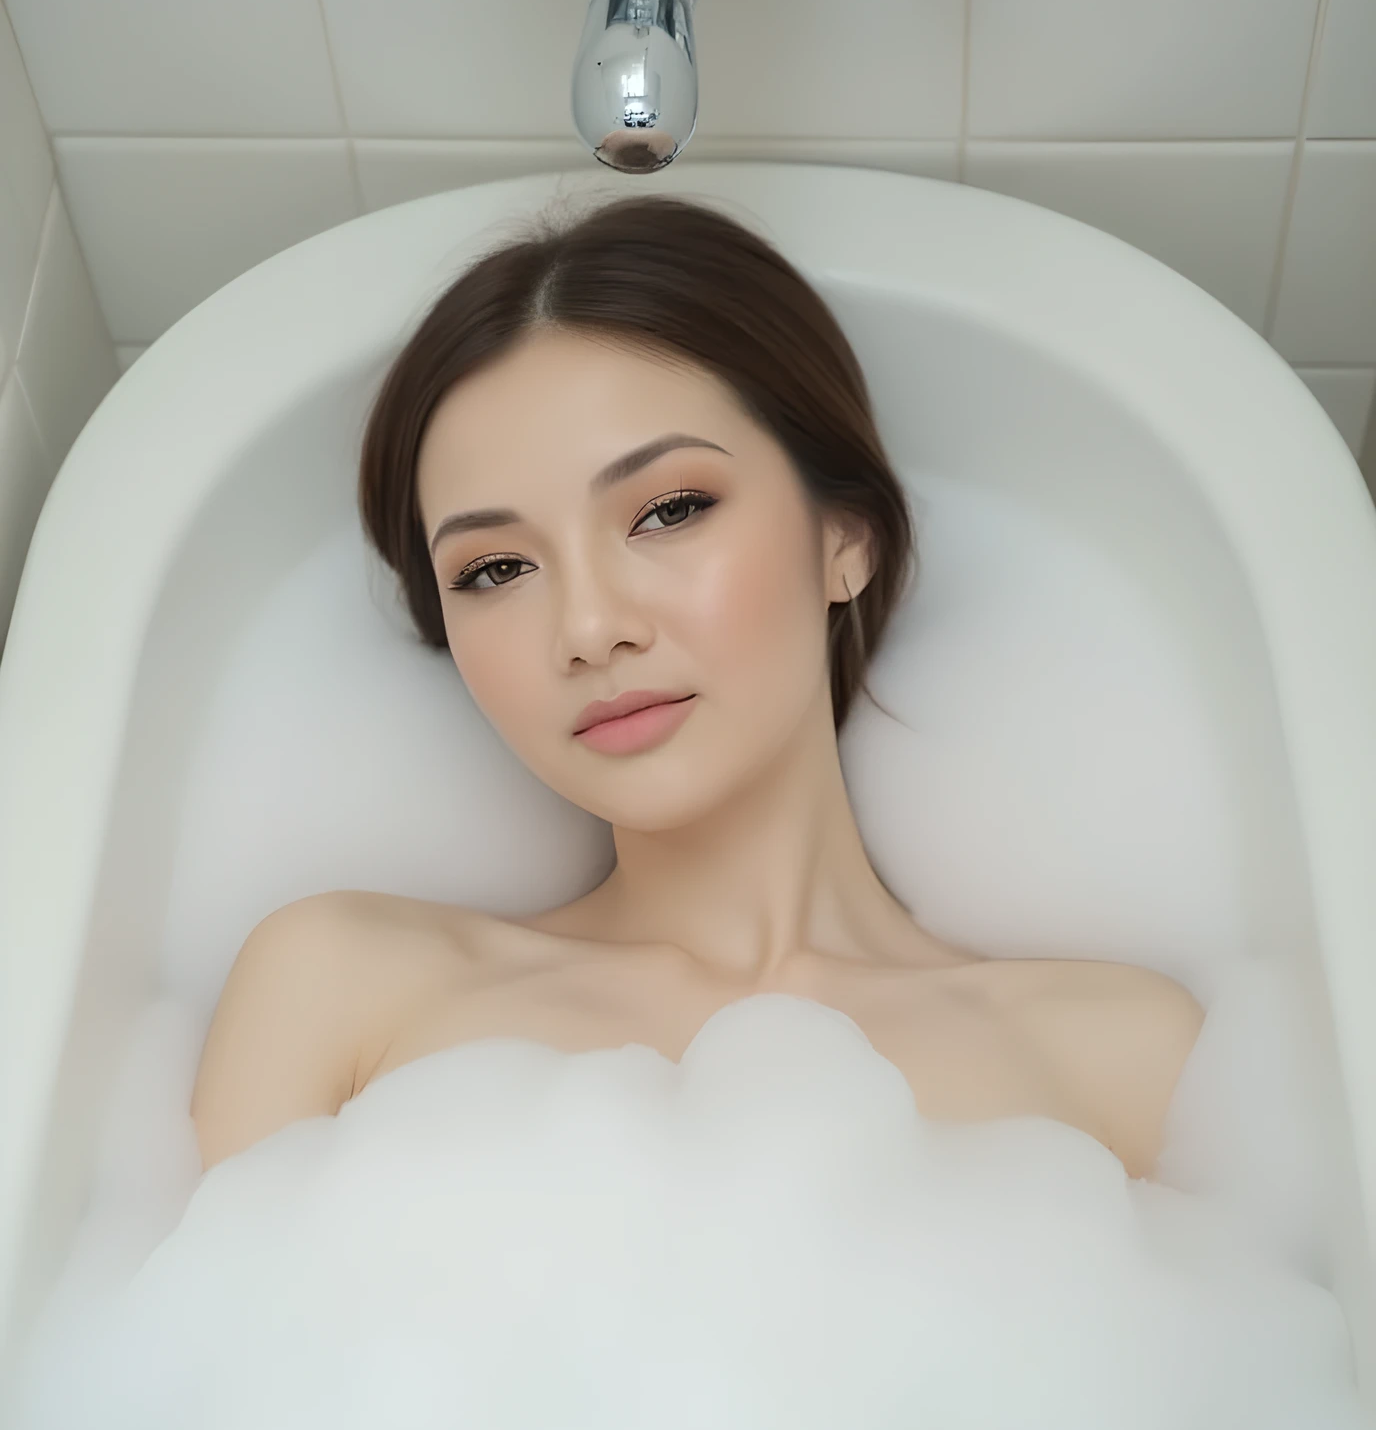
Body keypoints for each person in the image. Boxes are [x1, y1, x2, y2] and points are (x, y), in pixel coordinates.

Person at [191, 193, 1203, 1177]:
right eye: (494, 568)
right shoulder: (338, 986)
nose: (588, 630)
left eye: (668, 509)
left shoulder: (1119, 1057)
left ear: (842, 538)